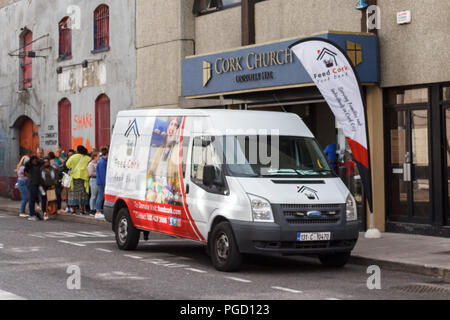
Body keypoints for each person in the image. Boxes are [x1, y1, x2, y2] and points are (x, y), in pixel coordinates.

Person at [146, 117, 181, 204]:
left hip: (167, 192)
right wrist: (152, 185)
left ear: (177, 130)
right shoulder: (160, 149)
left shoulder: (177, 150)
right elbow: (150, 173)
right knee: (150, 197)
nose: (172, 128)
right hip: (155, 189)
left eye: (175, 125)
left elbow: (178, 178)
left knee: (163, 198)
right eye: (171, 124)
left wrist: (175, 189)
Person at [66, 146, 91, 215]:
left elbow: (67, 165)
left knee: (73, 193)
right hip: (84, 178)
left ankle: (73, 210)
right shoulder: (87, 158)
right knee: (83, 193)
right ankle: (82, 210)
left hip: (74, 178)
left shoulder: (73, 157)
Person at [24, 156, 44, 221]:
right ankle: (31, 215)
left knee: (36, 198)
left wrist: (38, 160)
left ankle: (34, 213)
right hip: (31, 184)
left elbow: (42, 162)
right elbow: (26, 166)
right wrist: (31, 160)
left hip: (37, 184)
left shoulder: (38, 165)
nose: (35, 161)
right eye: (33, 160)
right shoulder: (29, 166)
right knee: (31, 200)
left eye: (36, 160)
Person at [95, 146, 109, 220]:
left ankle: (98, 211)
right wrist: (105, 184)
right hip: (101, 182)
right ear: (106, 154)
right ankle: (97, 212)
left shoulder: (101, 161)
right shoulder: (102, 162)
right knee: (100, 196)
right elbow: (103, 174)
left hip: (100, 182)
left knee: (100, 196)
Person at [87, 150, 100, 215]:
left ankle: (95, 208)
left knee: (97, 195)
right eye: (98, 156)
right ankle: (92, 209)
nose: (99, 157)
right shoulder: (91, 164)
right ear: (95, 157)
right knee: (93, 195)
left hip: (97, 180)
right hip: (93, 180)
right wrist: (99, 173)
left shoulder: (98, 163)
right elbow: (90, 173)